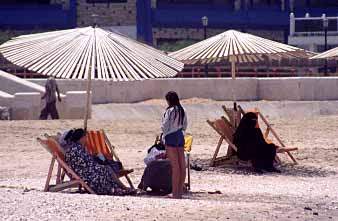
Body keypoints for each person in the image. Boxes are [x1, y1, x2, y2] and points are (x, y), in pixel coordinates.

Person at [64, 128, 135, 195]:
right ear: (81, 138)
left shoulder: (73, 148)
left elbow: (83, 162)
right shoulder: (77, 149)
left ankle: (120, 188)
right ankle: (121, 188)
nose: (86, 139)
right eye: (85, 137)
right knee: (106, 169)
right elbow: (84, 163)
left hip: (83, 171)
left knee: (106, 168)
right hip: (86, 174)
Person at [161, 91, 187, 199]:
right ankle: (179, 192)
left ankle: (175, 193)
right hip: (180, 135)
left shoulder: (170, 111)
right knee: (182, 165)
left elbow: (165, 125)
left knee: (175, 166)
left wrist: (163, 134)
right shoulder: (182, 110)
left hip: (170, 135)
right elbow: (185, 125)